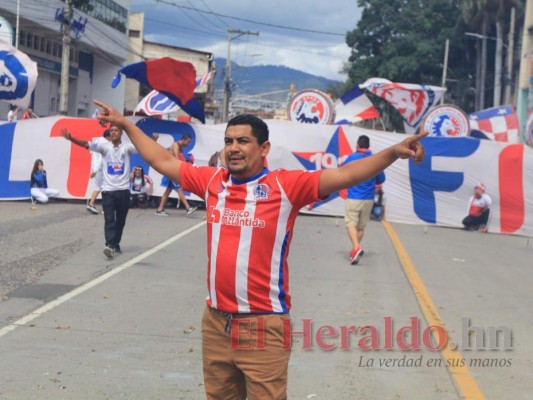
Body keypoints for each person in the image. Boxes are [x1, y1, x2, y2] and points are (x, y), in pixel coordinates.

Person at [93, 99, 426, 400]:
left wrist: (394, 152)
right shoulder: (212, 182)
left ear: (263, 148)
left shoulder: (286, 186)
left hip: (263, 327)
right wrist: (125, 124)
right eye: (228, 141)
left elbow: (345, 174)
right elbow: (162, 160)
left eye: (243, 141)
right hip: (215, 323)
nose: (233, 148)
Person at [61, 125, 157, 260]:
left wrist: (152, 140)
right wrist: (71, 138)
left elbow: (143, 148)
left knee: (121, 221)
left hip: (123, 191)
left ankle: (116, 244)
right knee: (109, 219)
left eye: (116, 130)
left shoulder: (127, 148)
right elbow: (85, 144)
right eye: (111, 130)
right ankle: (110, 245)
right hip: (108, 191)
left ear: (121, 133)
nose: (113, 132)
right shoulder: (104, 147)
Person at [343, 135, 386, 265]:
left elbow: (342, 173)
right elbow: (381, 179)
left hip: (354, 197)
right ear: (368, 146)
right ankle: (355, 251)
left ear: (358, 145)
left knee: (350, 223)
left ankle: (356, 248)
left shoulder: (352, 158)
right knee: (361, 227)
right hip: (368, 199)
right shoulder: (375, 160)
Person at [155, 134, 198, 216]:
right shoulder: (176, 145)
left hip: (171, 169)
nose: (188, 144)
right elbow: (176, 158)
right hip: (171, 170)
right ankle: (188, 208)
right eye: (188, 142)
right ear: (183, 140)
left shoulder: (182, 147)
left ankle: (160, 209)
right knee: (179, 188)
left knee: (168, 191)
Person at [86, 129, 111, 214]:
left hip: (96, 168)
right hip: (100, 169)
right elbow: (101, 158)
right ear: (108, 136)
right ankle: (102, 207)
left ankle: (91, 204)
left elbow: (92, 154)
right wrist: (96, 170)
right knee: (104, 188)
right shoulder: (105, 144)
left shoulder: (97, 141)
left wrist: (93, 169)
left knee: (98, 187)